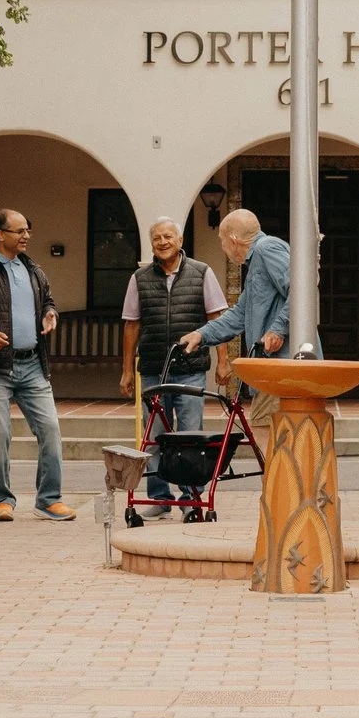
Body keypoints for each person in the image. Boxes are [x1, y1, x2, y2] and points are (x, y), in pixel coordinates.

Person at [0, 209, 73, 521]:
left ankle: (49, 499)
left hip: (34, 365)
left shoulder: (34, 270)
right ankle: (2, 500)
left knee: (50, 429)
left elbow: (48, 301)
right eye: (19, 231)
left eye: (27, 230)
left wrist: (50, 313)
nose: (26, 236)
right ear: (0, 234)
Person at [120, 215, 229, 517]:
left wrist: (223, 362)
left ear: (180, 241)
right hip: (153, 368)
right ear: (151, 244)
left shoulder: (202, 272)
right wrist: (127, 369)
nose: (163, 242)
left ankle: (191, 497)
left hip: (191, 367)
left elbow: (217, 319)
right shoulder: (139, 279)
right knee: (153, 435)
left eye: (168, 236)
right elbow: (131, 325)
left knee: (190, 436)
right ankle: (159, 497)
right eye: (157, 238)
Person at [178, 207, 308, 430]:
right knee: (268, 441)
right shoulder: (257, 260)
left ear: (233, 240)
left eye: (222, 241)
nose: (223, 248)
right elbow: (238, 315)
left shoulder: (267, 249)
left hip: (282, 371)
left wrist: (278, 328)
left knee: (271, 443)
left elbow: (302, 287)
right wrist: (201, 334)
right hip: (272, 373)